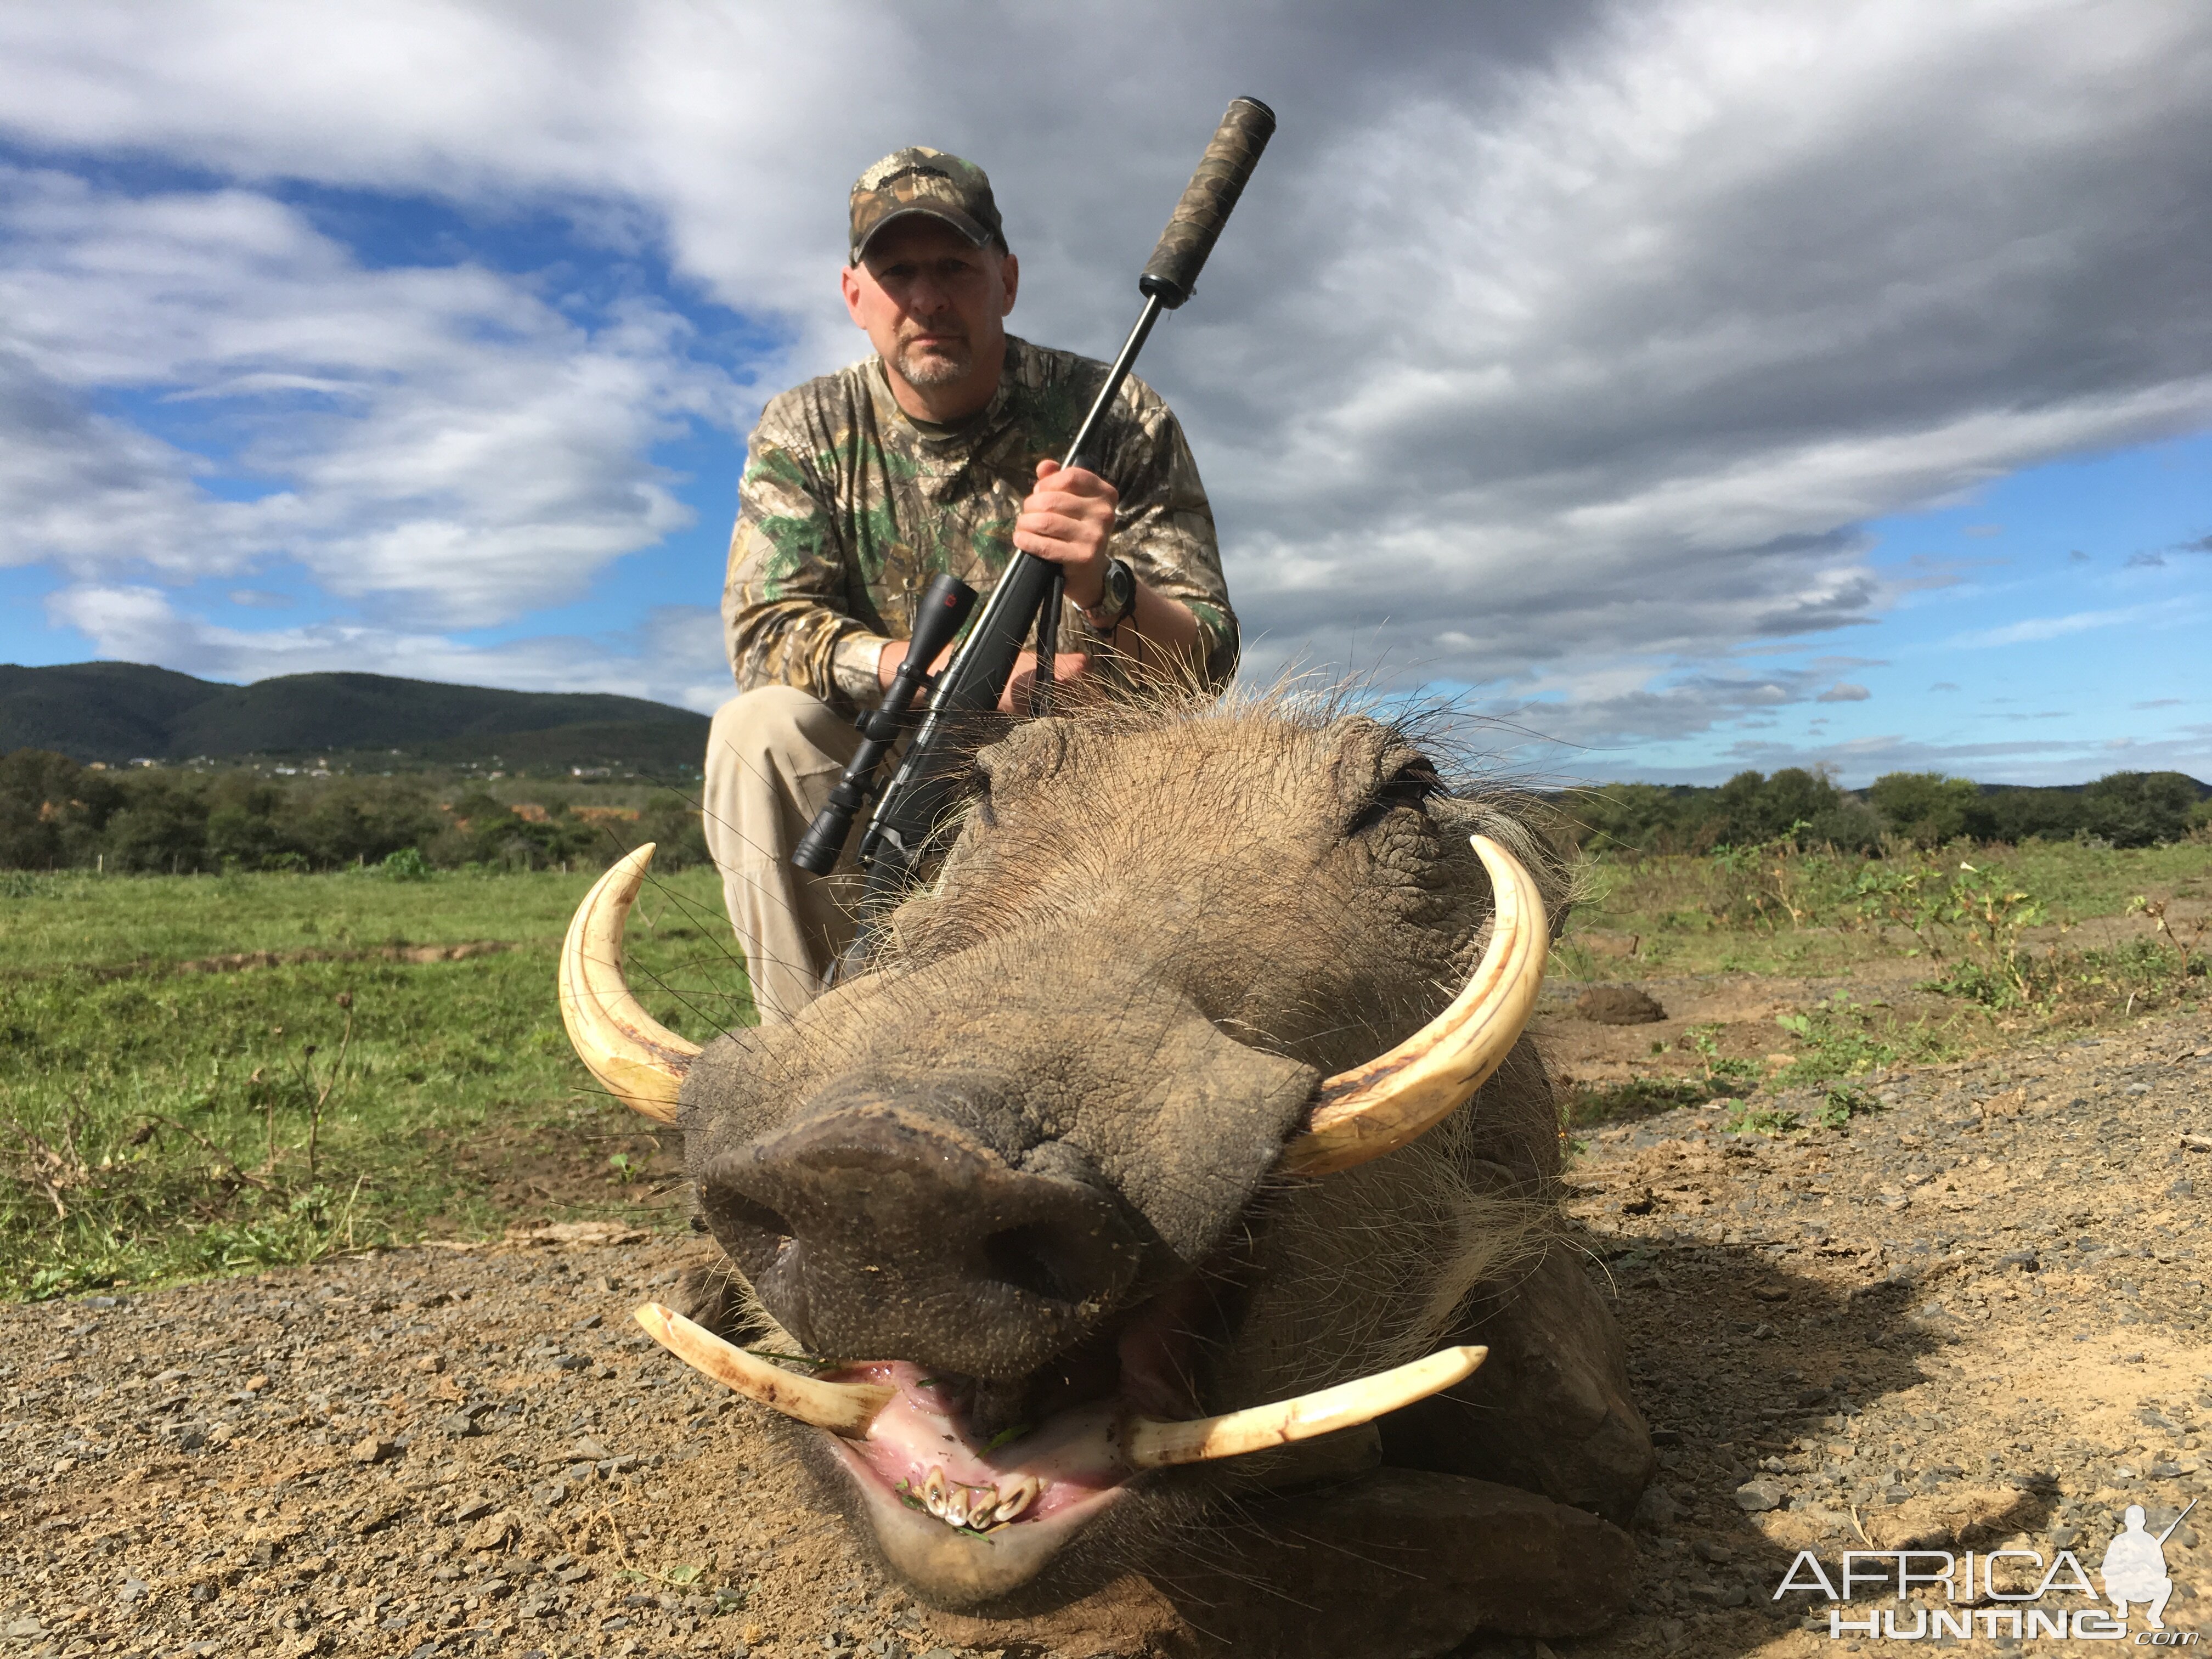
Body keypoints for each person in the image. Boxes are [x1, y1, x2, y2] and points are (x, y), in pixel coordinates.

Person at [704, 146, 1239, 1024]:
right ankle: (801, 1070)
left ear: (1008, 280)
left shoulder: (1119, 413)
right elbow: (765, 634)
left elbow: (1208, 656)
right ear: (855, 297)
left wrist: (1104, 590)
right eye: (897, 271)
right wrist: (926, 672)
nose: (927, 299)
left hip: (1082, 774)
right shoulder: (805, 426)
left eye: (955, 266)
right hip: (888, 762)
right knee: (755, 732)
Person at [2100, 1504, 2175, 1628]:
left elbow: (2162, 1571)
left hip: (2144, 1587)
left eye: (2137, 1521)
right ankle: (2122, 1606)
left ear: (2143, 1522)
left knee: (2166, 1583)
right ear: (2126, 1522)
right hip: (2123, 1587)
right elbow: (2106, 1571)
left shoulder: (2151, 1541)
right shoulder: (2119, 1541)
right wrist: (2125, 1567)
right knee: (2110, 1583)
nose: (2134, 1524)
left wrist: (2147, 1565)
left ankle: (2154, 1615)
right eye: (2131, 1521)